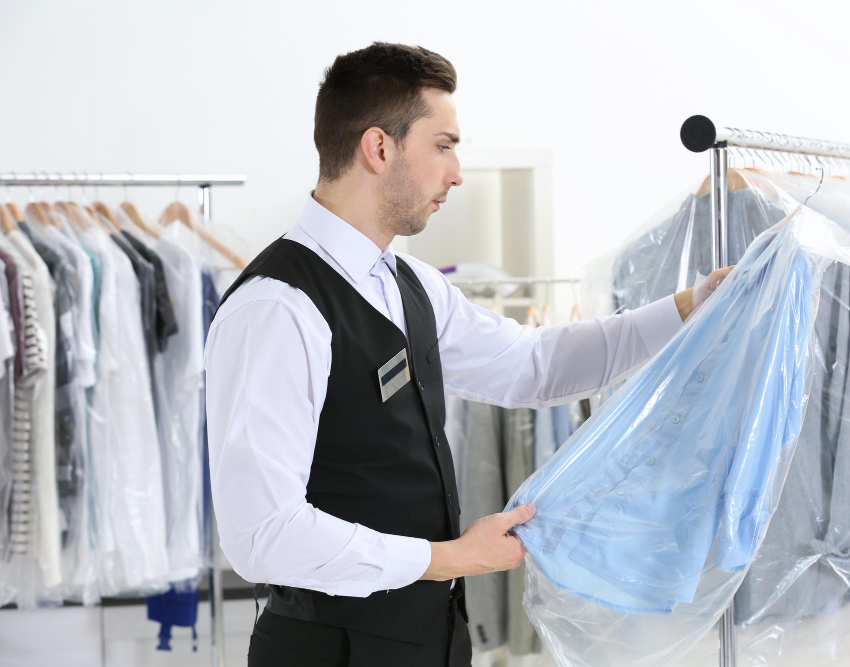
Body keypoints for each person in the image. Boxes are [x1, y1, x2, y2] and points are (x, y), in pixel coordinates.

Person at [204, 41, 734, 667]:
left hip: (432, 640)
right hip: (330, 650)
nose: (457, 172)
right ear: (379, 149)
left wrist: (687, 308)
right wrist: (449, 557)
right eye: (444, 145)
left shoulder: (413, 286)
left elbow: (535, 364)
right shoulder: (277, 308)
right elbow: (262, 535)